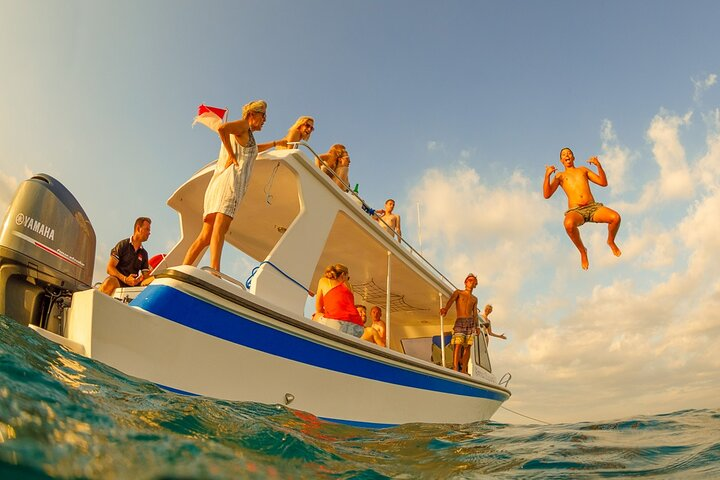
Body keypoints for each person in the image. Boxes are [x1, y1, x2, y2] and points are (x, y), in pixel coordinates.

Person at [182, 100, 285, 273]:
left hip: (221, 184)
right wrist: (232, 155)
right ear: (252, 115)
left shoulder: (247, 134)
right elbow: (223, 129)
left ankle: (183, 268)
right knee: (220, 228)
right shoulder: (243, 125)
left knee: (206, 235)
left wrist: (275, 143)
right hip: (229, 185)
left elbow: (254, 149)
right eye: (263, 115)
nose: (265, 120)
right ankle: (215, 270)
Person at [543, 147, 622, 270]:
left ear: (573, 157)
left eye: (569, 153)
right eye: (564, 154)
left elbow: (603, 182)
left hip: (593, 208)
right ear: (561, 160)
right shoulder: (560, 176)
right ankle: (583, 251)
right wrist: (547, 176)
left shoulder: (582, 170)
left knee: (615, 218)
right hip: (576, 211)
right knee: (568, 224)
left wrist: (598, 166)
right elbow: (547, 195)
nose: (567, 155)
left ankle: (610, 241)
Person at [99, 217, 153, 295]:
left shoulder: (144, 254)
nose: (149, 232)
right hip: (118, 282)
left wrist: (159, 276)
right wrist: (125, 279)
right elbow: (109, 268)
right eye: (147, 229)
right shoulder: (123, 245)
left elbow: (146, 277)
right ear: (138, 228)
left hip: (133, 288)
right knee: (110, 282)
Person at [440, 273, 479, 373]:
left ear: (476, 284)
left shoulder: (474, 299)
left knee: (468, 346)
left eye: (473, 281)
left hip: (470, 323)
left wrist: (477, 326)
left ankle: (464, 369)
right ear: (465, 282)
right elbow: (451, 300)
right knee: (457, 344)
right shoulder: (458, 292)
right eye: (470, 280)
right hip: (460, 320)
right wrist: (445, 309)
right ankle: (455, 367)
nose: (472, 282)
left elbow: (475, 313)